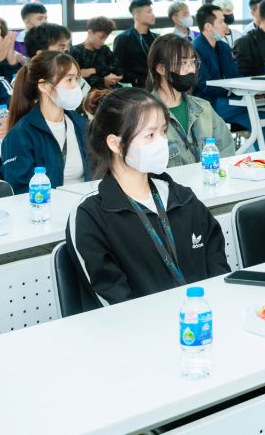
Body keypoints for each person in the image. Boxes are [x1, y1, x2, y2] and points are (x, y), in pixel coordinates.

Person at [66, 87, 228, 304]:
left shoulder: (181, 198)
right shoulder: (91, 215)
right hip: (139, 331)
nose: (161, 142)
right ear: (115, 144)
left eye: (162, 131)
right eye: (150, 135)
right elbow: (110, 296)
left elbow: (216, 262)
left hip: (199, 321)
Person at [1, 51, 90, 193]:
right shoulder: (20, 135)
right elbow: (21, 191)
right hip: (46, 210)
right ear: (44, 86)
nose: (76, 86)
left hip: (85, 207)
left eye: (76, 79)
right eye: (69, 80)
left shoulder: (82, 124)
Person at [146, 34, 236, 166]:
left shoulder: (203, 108)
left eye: (193, 62)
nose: (191, 69)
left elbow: (226, 150)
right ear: (161, 69)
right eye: (183, 63)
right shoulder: (144, 115)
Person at [191, 3, 249, 131]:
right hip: (206, 103)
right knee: (252, 108)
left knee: (260, 119)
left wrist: (249, 88)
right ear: (208, 26)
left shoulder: (223, 47)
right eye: (221, 21)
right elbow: (205, 85)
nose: (226, 25)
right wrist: (233, 91)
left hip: (227, 99)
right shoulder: (194, 49)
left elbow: (235, 76)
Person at [112, 0, 157, 88]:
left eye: (152, 11)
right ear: (137, 15)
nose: (153, 15)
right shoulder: (123, 39)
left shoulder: (156, 38)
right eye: (149, 12)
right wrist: (135, 79)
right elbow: (117, 68)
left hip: (157, 85)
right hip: (136, 89)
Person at [70, 16, 123, 90]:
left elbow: (118, 69)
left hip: (110, 89)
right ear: (90, 33)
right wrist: (102, 80)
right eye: (101, 37)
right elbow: (76, 78)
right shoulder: (75, 51)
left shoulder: (105, 50)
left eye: (106, 38)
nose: (103, 41)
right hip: (88, 94)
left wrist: (94, 70)